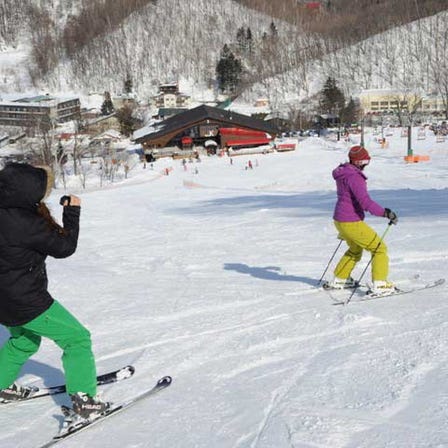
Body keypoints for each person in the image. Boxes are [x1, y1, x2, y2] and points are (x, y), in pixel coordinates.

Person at [0, 162, 109, 418]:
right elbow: (64, 247)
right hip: (26, 300)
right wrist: (72, 212)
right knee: (76, 338)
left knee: (23, 342)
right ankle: (84, 400)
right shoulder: (25, 222)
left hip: (3, 302)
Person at [327, 145, 398, 294]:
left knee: (355, 249)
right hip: (350, 221)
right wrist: (385, 213)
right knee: (379, 249)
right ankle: (380, 284)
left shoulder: (344, 173)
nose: (367, 164)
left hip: (339, 220)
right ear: (359, 162)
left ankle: (341, 279)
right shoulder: (354, 177)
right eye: (366, 161)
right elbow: (365, 202)